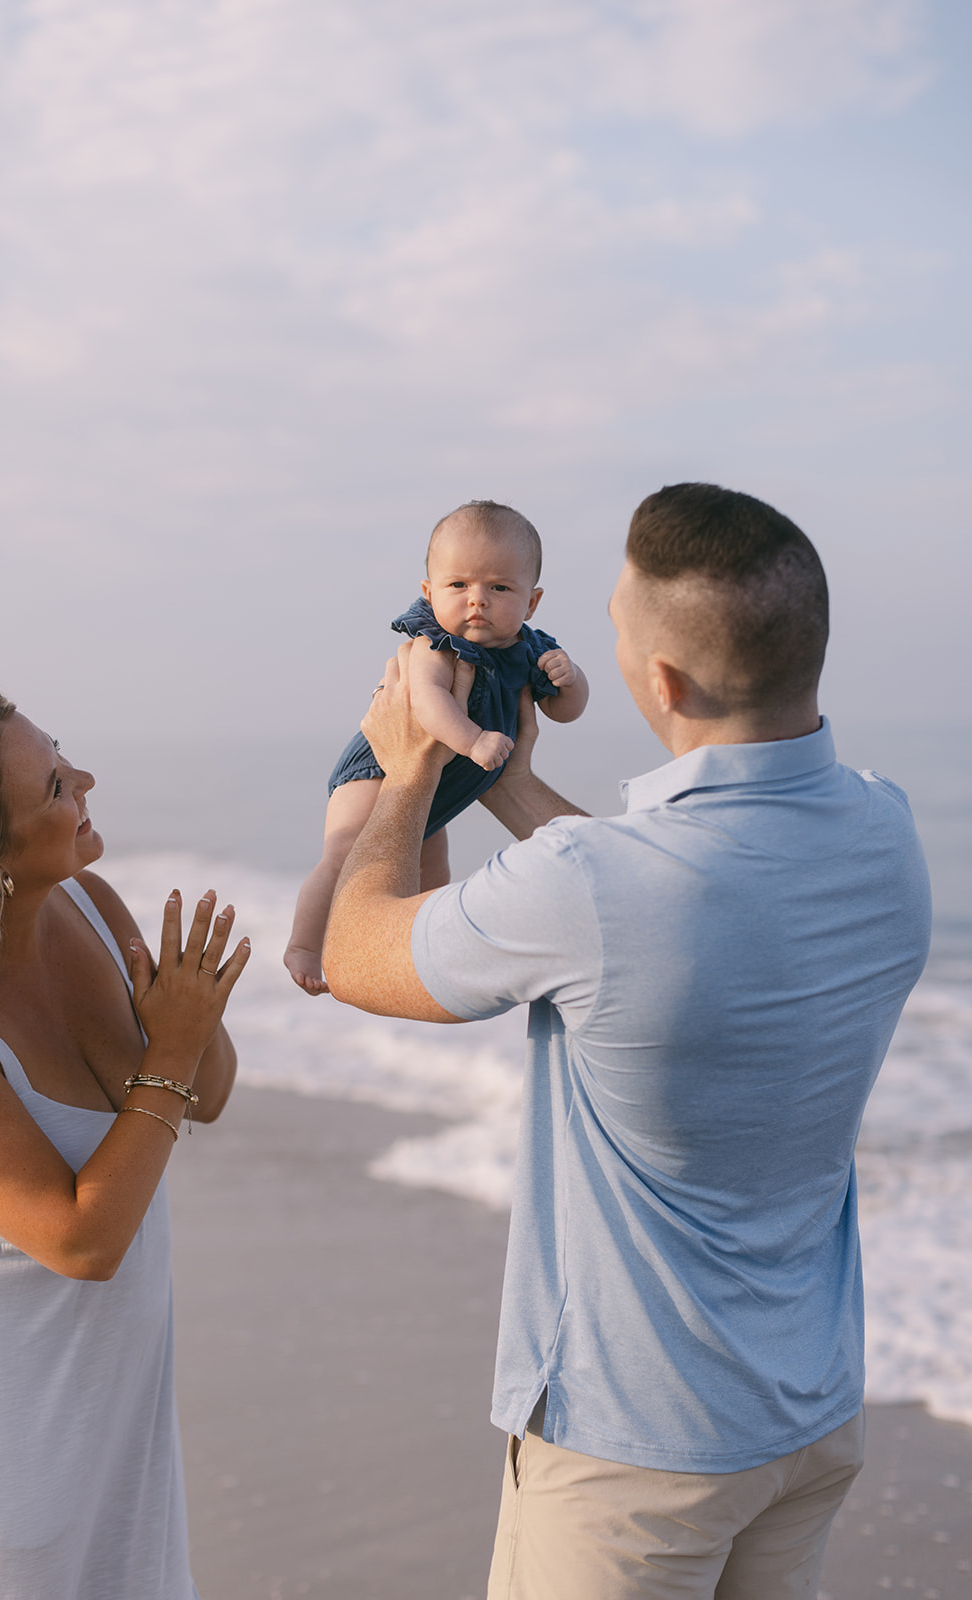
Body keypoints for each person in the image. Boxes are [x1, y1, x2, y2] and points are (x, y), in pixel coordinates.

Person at [322, 483, 932, 1600]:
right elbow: (662, 891)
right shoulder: (885, 830)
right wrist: (503, 785)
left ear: (659, 681)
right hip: (806, 1417)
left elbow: (357, 953)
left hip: (630, 1449)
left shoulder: (594, 889)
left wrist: (409, 767)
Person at [0, 690, 251, 1600]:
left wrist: (193, 1017)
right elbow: (83, 1241)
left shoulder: (90, 903)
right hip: (4, 1423)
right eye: (55, 784)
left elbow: (203, 1097)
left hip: (120, 1405)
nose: (89, 780)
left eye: (61, 753)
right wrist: (169, 1047)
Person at [284, 499, 588, 995]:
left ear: (531, 603)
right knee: (343, 852)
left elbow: (563, 711)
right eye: (458, 585)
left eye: (499, 587)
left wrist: (569, 680)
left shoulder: (531, 649)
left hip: (438, 783)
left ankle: (416, 949)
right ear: (429, 591)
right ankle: (304, 945)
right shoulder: (434, 643)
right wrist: (474, 739)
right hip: (380, 768)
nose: (477, 600)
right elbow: (425, 703)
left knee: (433, 868)